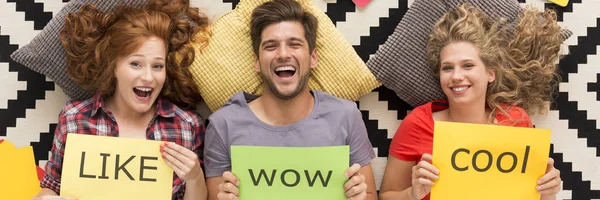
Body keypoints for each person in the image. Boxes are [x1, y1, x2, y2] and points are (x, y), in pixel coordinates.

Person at [379, 3, 565, 200]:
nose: (456, 76)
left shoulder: (516, 121)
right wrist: (411, 194)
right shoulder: (419, 123)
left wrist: (548, 192)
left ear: (490, 73)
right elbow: (387, 195)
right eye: (447, 68)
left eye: (467, 65)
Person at [32, 0, 210, 199]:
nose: (149, 77)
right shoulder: (75, 118)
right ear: (114, 66)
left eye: (157, 66)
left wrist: (195, 177)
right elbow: (50, 187)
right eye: (136, 64)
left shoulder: (187, 126)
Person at [202, 0, 377, 199]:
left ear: (313, 58)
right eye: (270, 46)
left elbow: (370, 194)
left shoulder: (346, 116)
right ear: (257, 62)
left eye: (294, 44)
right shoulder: (223, 124)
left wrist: (360, 196)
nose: (283, 54)